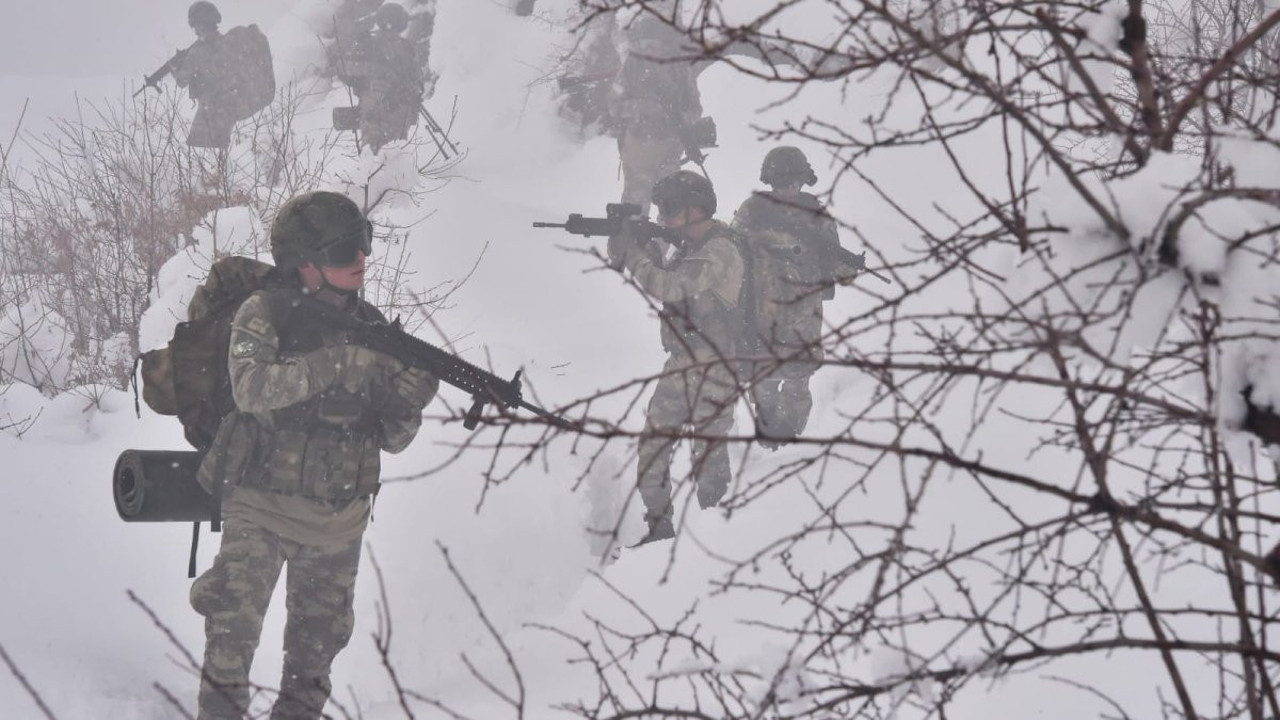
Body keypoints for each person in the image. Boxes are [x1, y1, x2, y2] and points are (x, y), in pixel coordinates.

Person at [190, 191, 438, 719]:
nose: (361, 260)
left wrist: (408, 400)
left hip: (337, 522)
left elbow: (392, 439)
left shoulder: (376, 330)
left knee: (313, 662)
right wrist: (335, 365)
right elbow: (251, 389)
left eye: (363, 245)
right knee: (230, 643)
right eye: (345, 251)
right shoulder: (266, 313)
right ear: (304, 263)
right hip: (261, 507)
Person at [607, 170, 745, 544]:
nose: (663, 217)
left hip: (717, 367)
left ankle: (716, 536)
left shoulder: (721, 250)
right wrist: (636, 243)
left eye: (668, 210)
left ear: (694, 209)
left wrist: (634, 254)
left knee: (708, 454)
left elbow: (669, 285)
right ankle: (660, 526)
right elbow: (666, 279)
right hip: (682, 362)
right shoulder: (689, 247)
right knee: (654, 444)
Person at [731, 146, 861, 447]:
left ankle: (793, 445)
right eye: (780, 183)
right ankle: (769, 441)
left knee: (798, 381)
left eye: (793, 182)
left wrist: (847, 266)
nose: (788, 189)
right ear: (769, 180)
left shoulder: (816, 214)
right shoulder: (753, 209)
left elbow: (835, 263)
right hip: (762, 308)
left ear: (803, 181)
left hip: (804, 310)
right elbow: (733, 247)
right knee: (763, 382)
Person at [337, 2, 425, 152]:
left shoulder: (405, 48)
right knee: (375, 156)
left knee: (394, 157)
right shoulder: (367, 44)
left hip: (398, 109)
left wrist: (409, 88)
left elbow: (416, 77)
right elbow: (344, 68)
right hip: (375, 112)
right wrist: (376, 71)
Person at [172, 2, 237, 148]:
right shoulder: (227, 43)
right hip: (230, 110)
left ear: (201, 24)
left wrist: (175, 69)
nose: (194, 30)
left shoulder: (196, 51)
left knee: (197, 152)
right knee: (226, 153)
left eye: (195, 25)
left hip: (208, 111)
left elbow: (181, 81)